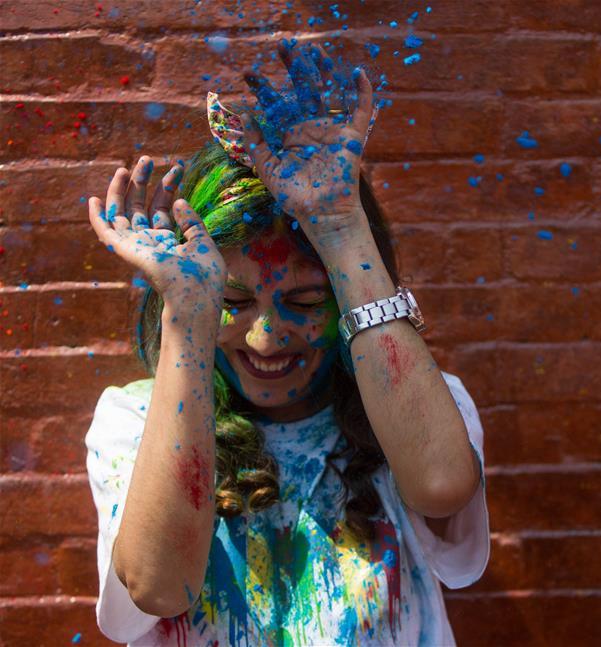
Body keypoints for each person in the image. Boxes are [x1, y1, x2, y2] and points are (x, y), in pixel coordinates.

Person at [84, 41, 489, 646]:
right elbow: (160, 587)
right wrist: (188, 321)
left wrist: (342, 228)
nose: (266, 336)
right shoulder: (133, 421)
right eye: (231, 302)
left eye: (302, 303)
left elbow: (440, 486)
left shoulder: (419, 410)